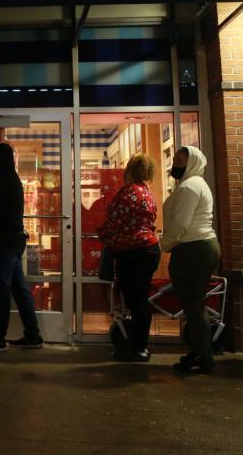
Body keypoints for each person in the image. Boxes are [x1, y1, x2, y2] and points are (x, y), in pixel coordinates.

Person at [0, 142, 42, 353]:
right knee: (20, 290)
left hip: (6, 243)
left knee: (2, 291)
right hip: (15, 242)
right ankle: (33, 335)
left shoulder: (5, 182)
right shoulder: (13, 180)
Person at [161, 146, 219, 374]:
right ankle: (199, 352)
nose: (175, 165)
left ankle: (204, 356)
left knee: (194, 306)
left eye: (180, 162)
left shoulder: (189, 187)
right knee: (194, 305)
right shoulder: (194, 184)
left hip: (193, 249)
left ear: (192, 162)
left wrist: (164, 244)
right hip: (198, 247)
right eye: (175, 160)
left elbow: (180, 224)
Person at [98, 154, 159, 362]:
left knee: (135, 299)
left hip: (132, 252)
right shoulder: (148, 194)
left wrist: (104, 236)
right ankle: (139, 344)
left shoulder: (128, 193)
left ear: (130, 171)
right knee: (140, 298)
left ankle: (138, 347)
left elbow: (113, 220)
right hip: (150, 249)